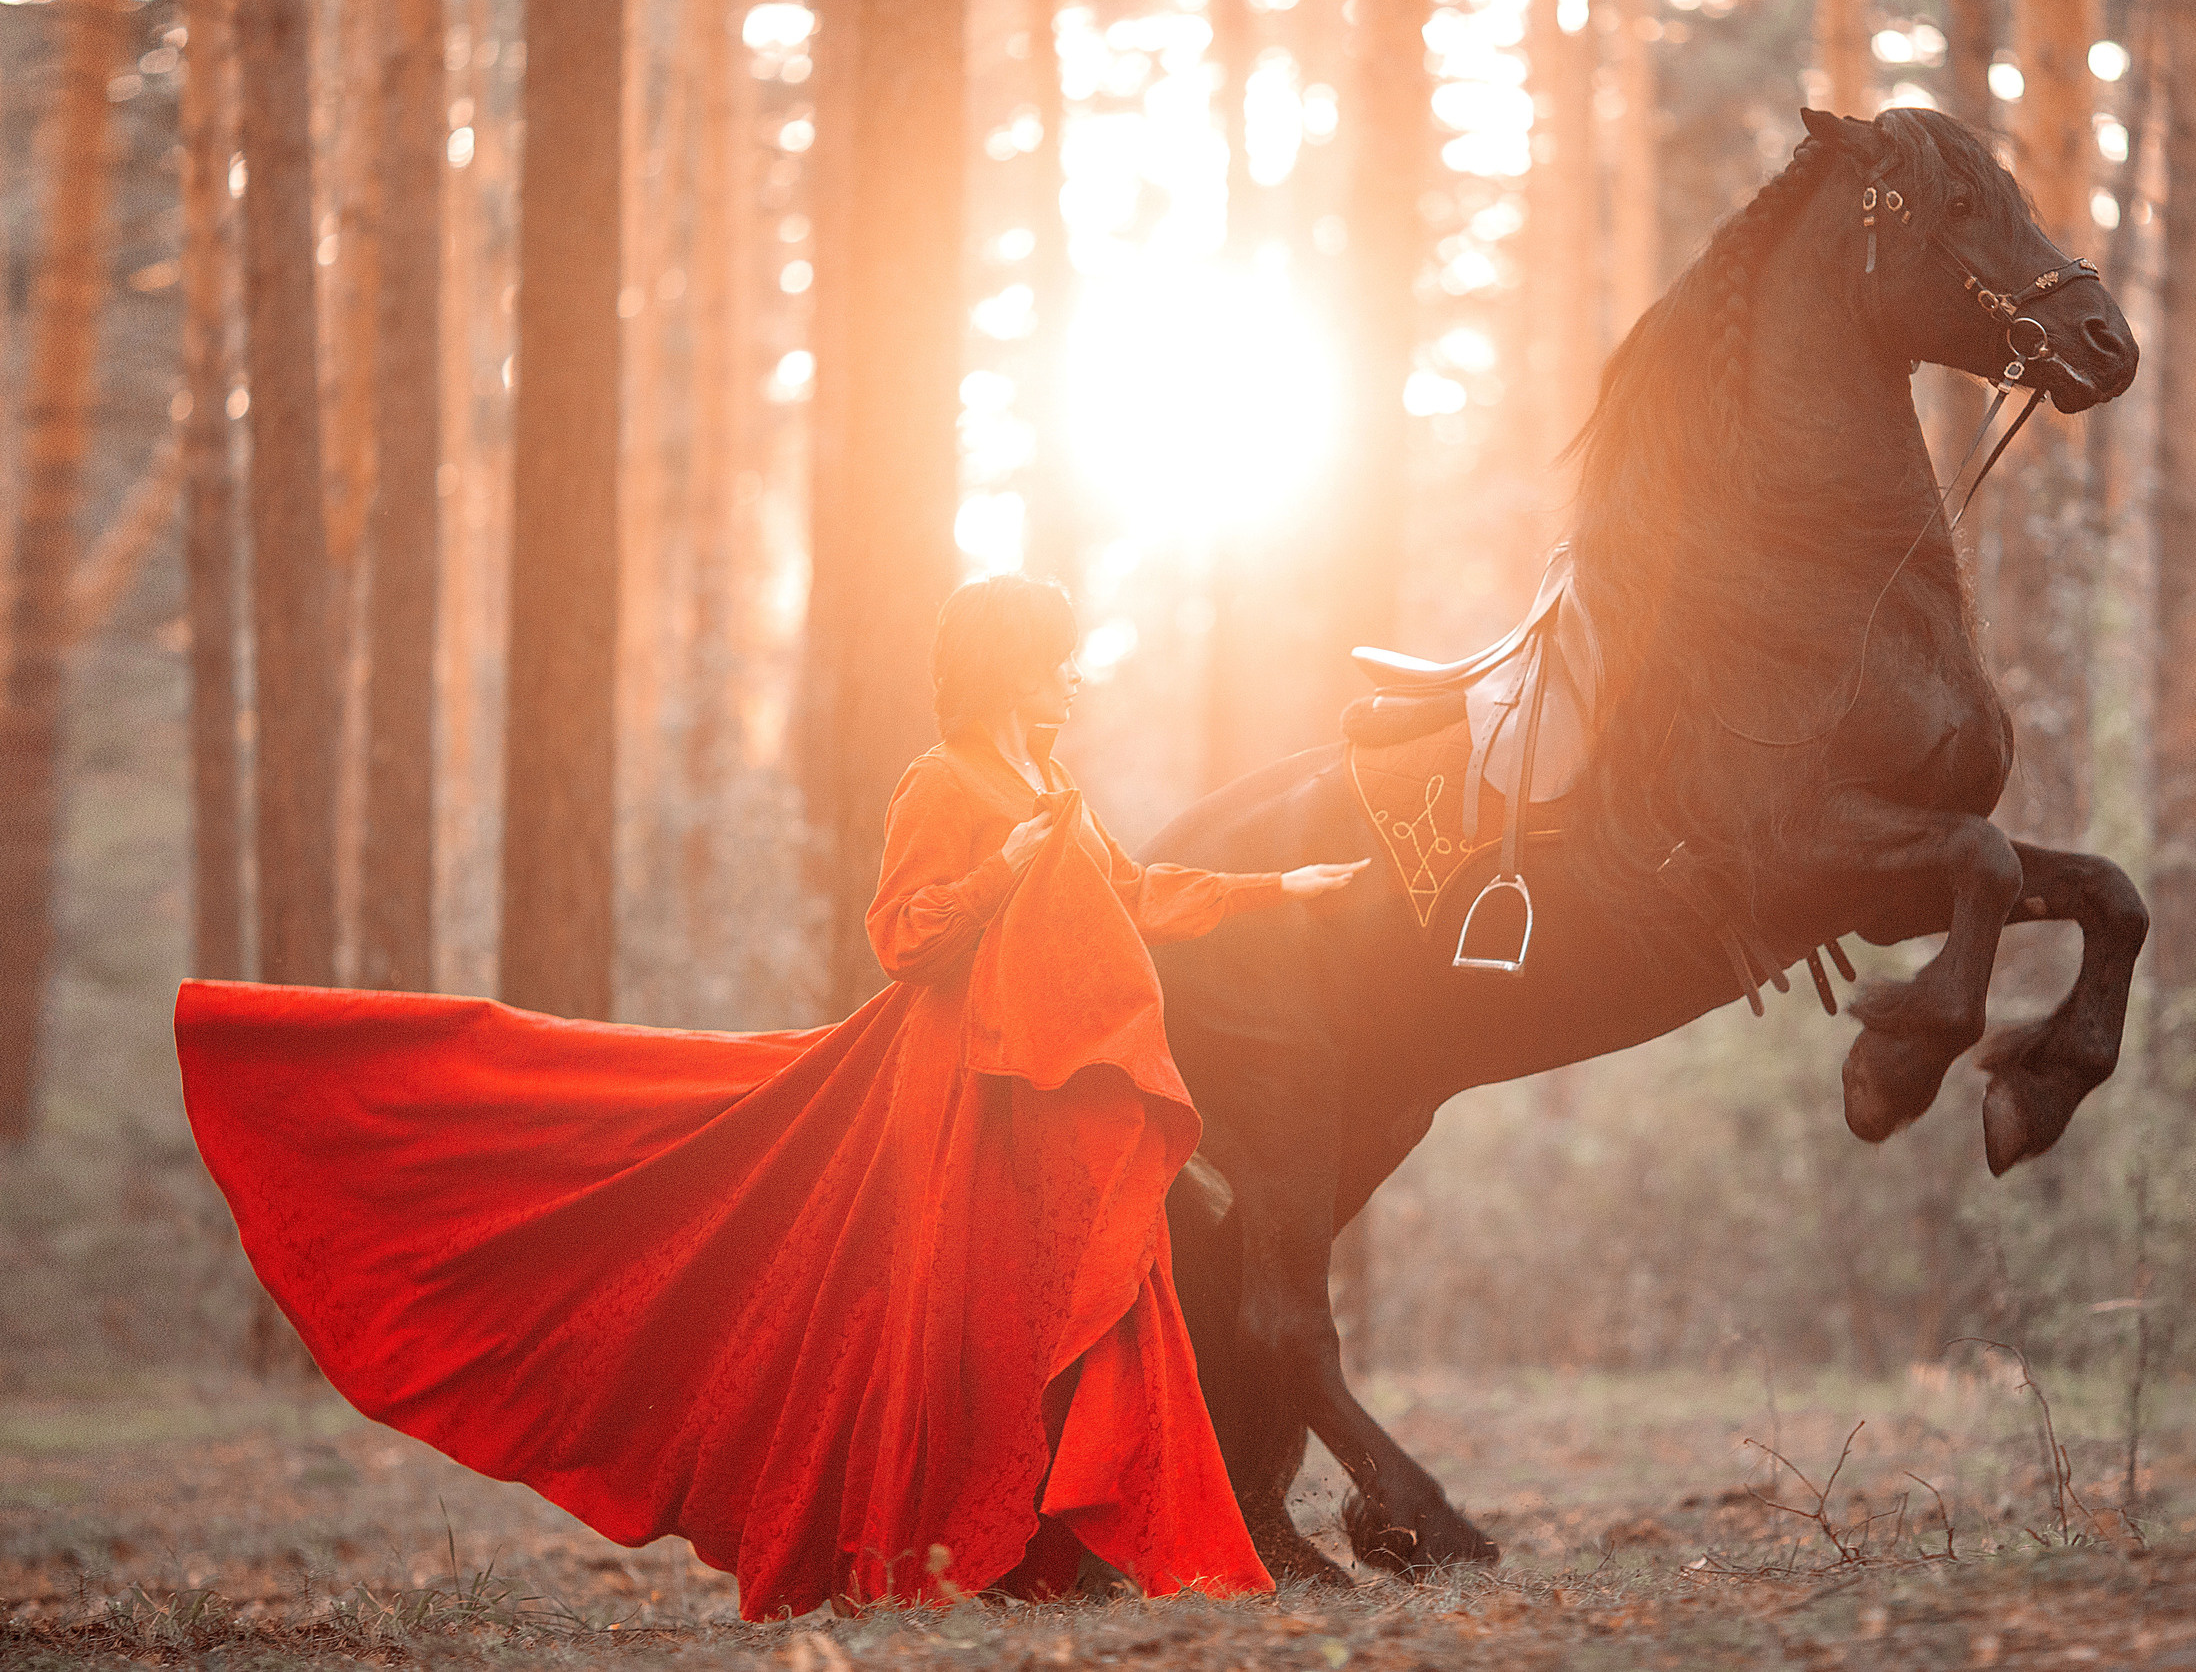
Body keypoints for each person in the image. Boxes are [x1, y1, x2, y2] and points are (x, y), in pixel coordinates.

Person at [176, 573, 1368, 1618]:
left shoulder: (1050, 776)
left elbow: (1135, 893)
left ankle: (1084, 1545)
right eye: (1055, 661)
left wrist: (1283, 887)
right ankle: (944, 1549)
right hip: (949, 1091)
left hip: (1041, 1094)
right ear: (1008, 668)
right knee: (945, 1314)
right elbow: (901, 939)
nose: (1072, 680)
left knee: (1082, 1296)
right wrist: (998, 876)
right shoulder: (942, 782)